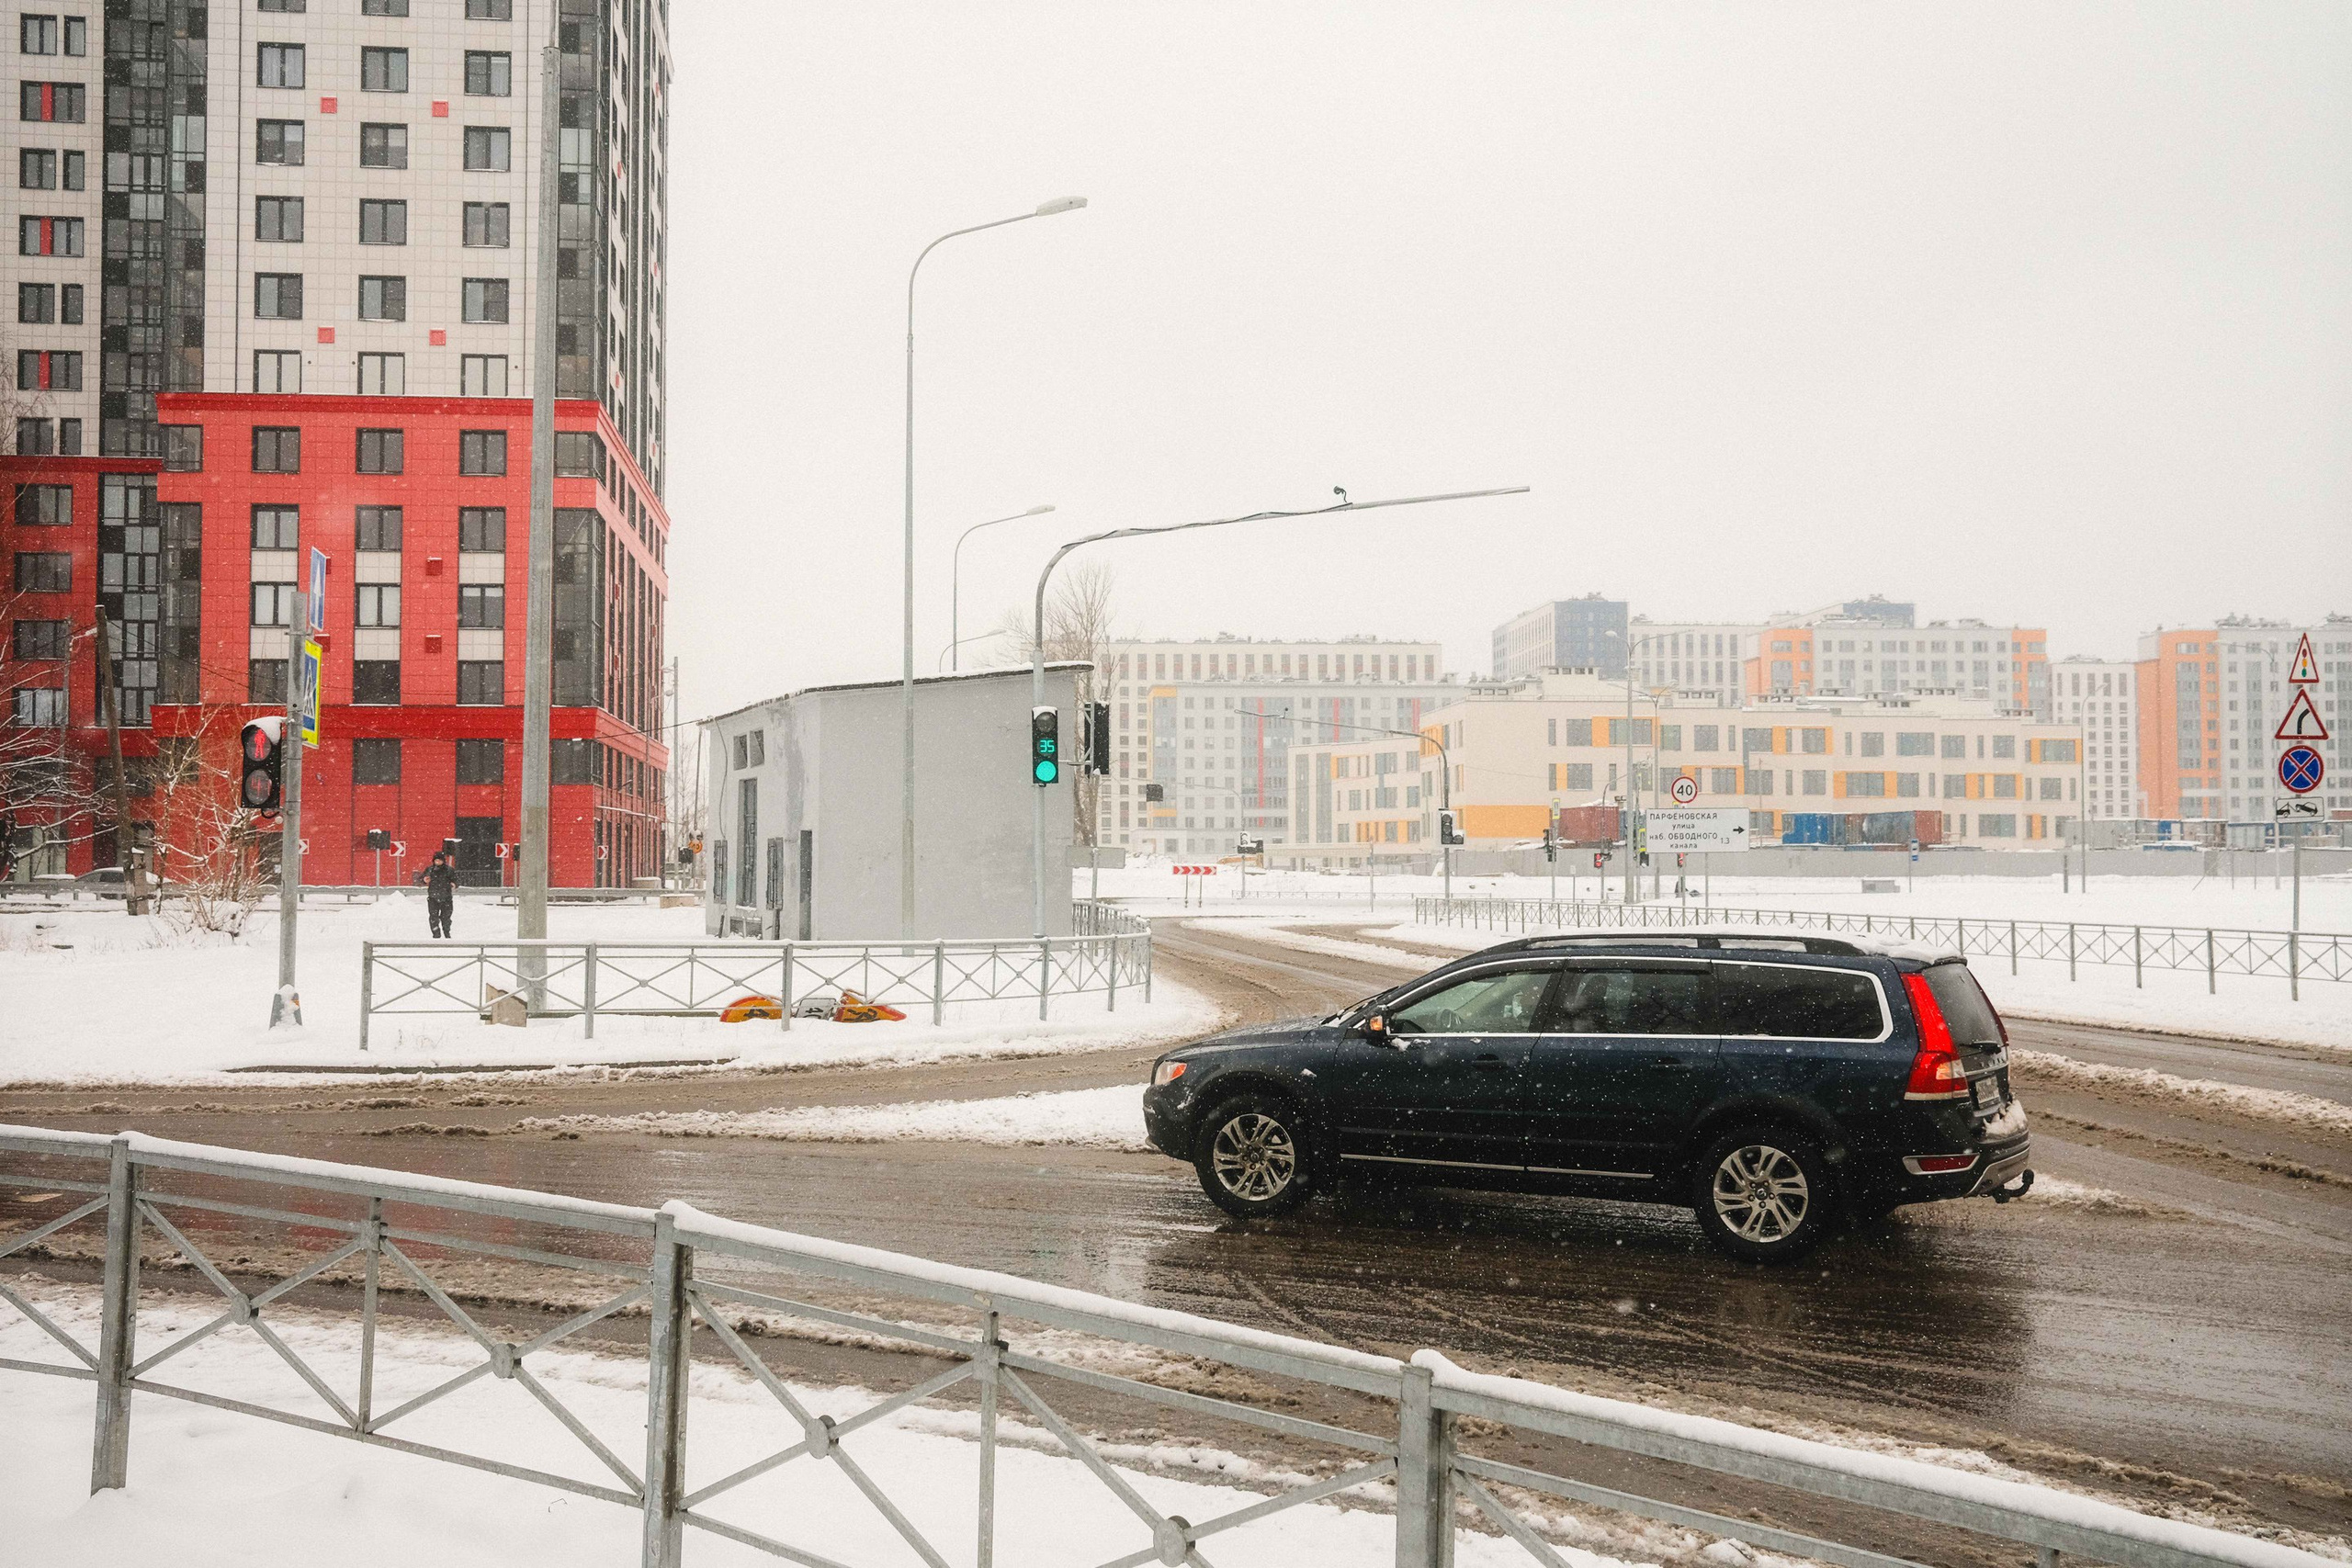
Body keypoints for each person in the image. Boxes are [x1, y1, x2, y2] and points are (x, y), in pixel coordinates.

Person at [425, 850, 457, 939]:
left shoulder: (449, 870)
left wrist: (454, 884)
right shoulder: (430, 870)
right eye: (436, 860)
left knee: (446, 917)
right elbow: (422, 878)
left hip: (446, 898)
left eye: (439, 860)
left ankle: (446, 932)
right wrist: (424, 880)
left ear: (443, 861)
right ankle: (436, 933)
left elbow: (455, 879)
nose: (437, 862)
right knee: (433, 917)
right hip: (433, 898)